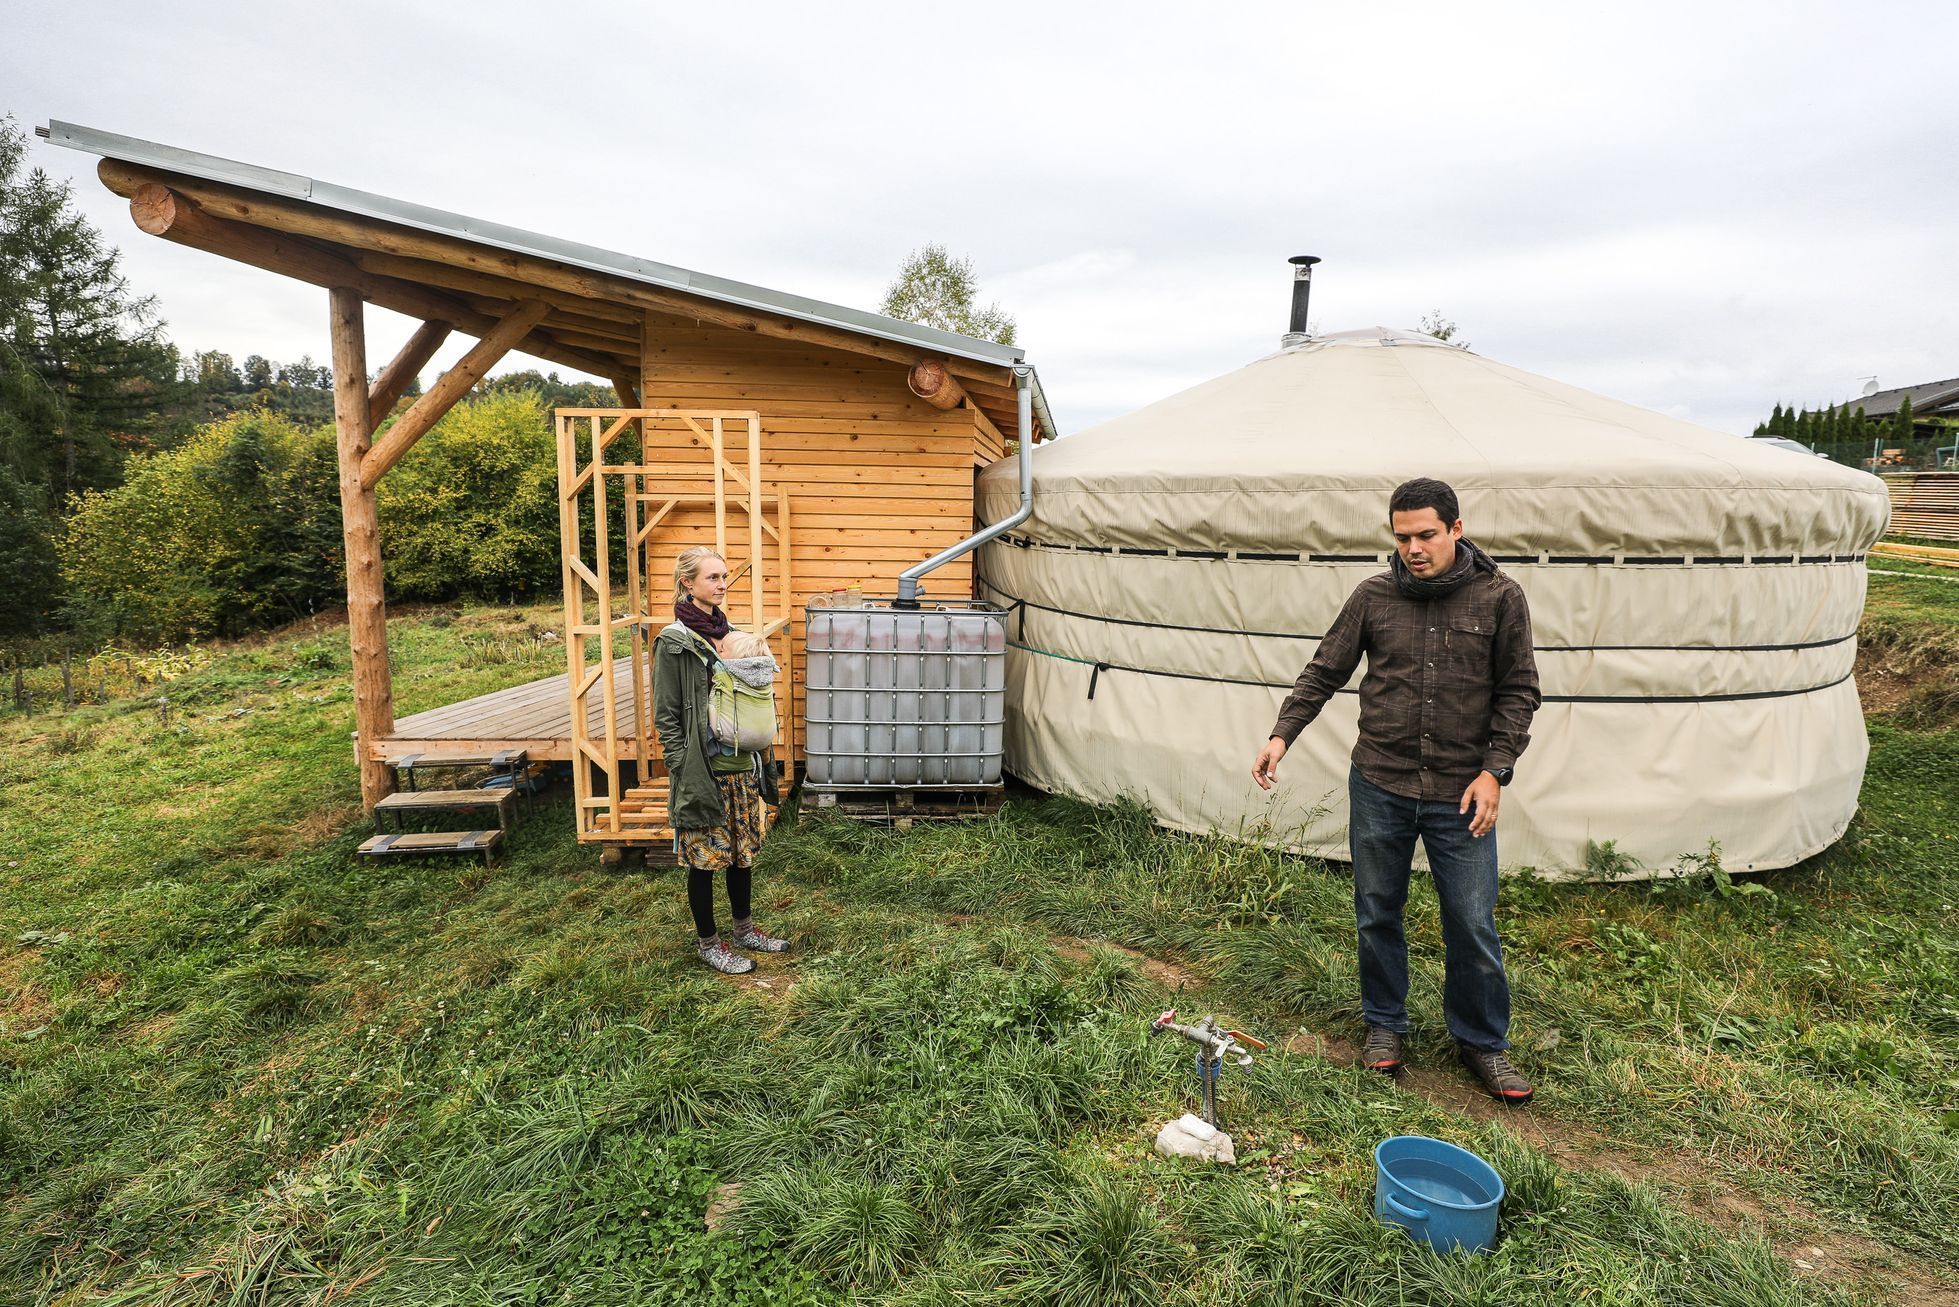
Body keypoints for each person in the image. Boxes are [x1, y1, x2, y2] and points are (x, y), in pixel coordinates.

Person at [1251, 479, 1541, 1105]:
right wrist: (1282, 734)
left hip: (1461, 789)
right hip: (1381, 780)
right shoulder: (1374, 597)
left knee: (1470, 919)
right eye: (1402, 536)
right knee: (1377, 908)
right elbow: (1326, 667)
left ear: (1456, 529)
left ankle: (1483, 1042)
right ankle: (1385, 1025)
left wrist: (1496, 771)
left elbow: (1520, 691)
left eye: (1426, 535)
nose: (1414, 548)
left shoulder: (1498, 598)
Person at [653, 546, 788, 975]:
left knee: (741, 853)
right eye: (712, 577)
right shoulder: (675, 642)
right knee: (705, 859)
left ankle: (744, 929)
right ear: (687, 583)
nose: (722, 584)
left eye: (724, 576)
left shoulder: (732, 636)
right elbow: (667, 715)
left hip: (741, 771)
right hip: (704, 772)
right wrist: (682, 767)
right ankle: (709, 942)